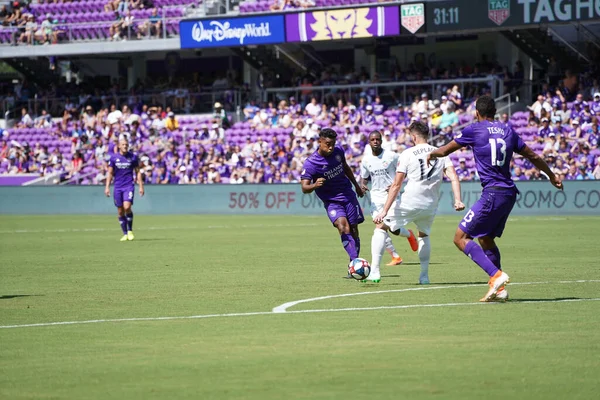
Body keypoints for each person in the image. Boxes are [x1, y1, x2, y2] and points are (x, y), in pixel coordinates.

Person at [427, 95, 562, 301]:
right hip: (508, 194)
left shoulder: (474, 129)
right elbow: (533, 155)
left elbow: (446, 149)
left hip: (492, 192)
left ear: (477, 113)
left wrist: (432, 154)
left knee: (460, 238)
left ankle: (496, 275)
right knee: (486, 238)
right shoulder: (508, 130)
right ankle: (500, 290)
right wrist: (551, 175)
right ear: (495, 113)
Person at [373, 122, 465, 284]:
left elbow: (396, 185)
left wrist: (384, 210)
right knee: (423, 234)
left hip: (410, 201)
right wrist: (458, 200)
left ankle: (374, 271)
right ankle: (424, 276)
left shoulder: (408, 153)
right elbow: (453, 176)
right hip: (430, 205)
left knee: (381, 228)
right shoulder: (441, 152)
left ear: (414, 136)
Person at [301, 128, 367, 274]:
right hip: (331, 201)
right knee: (343, 227)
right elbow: (304, 188)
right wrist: (314, 185)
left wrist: (357, 187)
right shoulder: (311, 163)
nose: (330, 147)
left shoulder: (338, 151)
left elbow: (346, 168)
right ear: (320, 141)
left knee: (354, 229)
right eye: (327, 144)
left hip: (348, 195)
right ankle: (356, 263)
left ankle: (353, 262)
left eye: (333, 143)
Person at [360, 131, 417, 268]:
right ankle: (395, 256)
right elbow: (364, 177)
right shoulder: (366, 160)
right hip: (375, 198)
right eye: (372, 139)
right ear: (369, 142)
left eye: (377, 139)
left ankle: (408, 234)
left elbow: (406, 169)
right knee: (380, 227)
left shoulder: (392, 156)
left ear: (381, 141)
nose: (375, 141)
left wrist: (395, 184)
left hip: (390, 196)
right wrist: (362, 185)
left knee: (393, 228)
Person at [104, 138, 145, 241]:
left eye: (126, 144)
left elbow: (138, 172)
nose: (125, 146)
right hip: (118, 187)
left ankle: (130, 230)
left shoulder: (133, 157)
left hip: (128, 186)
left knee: (127, 207)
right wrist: (107, 187)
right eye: (123, 145)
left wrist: (141, 186)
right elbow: (110, 173)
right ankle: (125, 233)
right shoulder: (114, 158)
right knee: (120, 211)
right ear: (119, 146)